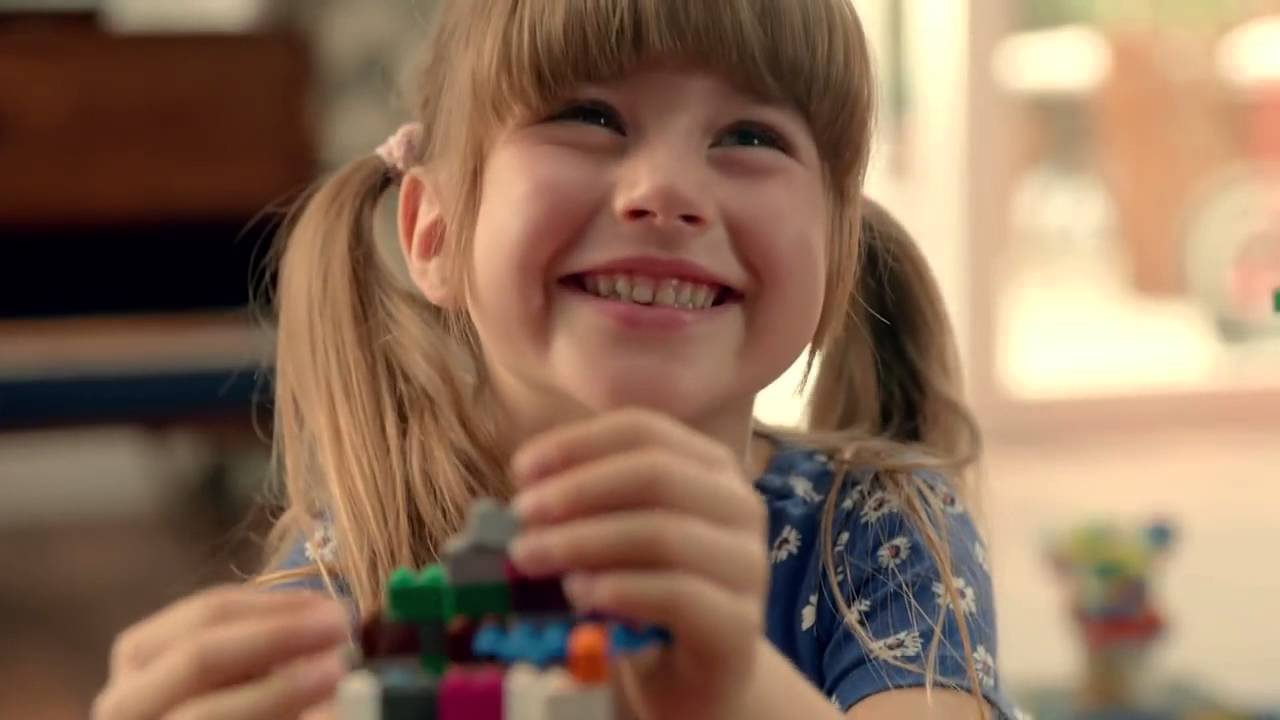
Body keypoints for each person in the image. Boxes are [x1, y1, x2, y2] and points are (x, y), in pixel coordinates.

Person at [92, 1, 1024, 718]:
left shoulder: (879, 529)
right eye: (588, 115)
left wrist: (737, 690)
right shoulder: (364, 562)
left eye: (750, 137)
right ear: (433, 233)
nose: (666, 190)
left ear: (835, 258)